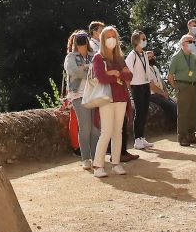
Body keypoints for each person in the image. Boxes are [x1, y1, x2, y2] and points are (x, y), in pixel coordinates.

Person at [91, 29, 132, 176]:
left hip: (121, 98)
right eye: (108, 37)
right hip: (107, 99)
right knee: (106, 132)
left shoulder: (119, 57)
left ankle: (116, 163)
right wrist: (117, 77)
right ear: (103, 39)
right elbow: (101, 77)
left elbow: (129, 75)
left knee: (117, 132)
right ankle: (98, 166)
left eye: (113, 36)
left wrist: (114, 74)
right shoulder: (98, 57)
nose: (111, 39)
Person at [64, 31, 99, 168]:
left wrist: (84, 68)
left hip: (94, 94)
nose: (82, 46)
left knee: (95, 129)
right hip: (78, 95)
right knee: (85, 127)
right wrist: (89, 70)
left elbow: (99, 70)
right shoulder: (70, 57)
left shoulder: (94, 56)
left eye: (83, 43)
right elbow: (73, 71)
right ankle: (85, 159)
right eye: (79, 43)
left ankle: (96, 157)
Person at [126, 31, 164, 151]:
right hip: (136, 86)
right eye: (143, 39)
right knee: (139, 112)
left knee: (145, 111)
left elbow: (147, 70)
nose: (145, 40)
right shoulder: (132, 55)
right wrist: (129, 89)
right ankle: (137, 139)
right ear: (136, 41)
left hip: (145, 85)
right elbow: (127, 74)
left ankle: (142, 137)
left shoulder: (143, 55)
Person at [167, 34, 196, 146]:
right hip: (182, 86)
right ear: (183, 44)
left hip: (193, 86)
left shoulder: (193, 57)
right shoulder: (176, 57)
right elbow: (170, 76)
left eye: (193, 41)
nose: (192, 43)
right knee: (183, 113)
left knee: (192, 112)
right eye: (190, 41)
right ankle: (182, 137)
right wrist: (177, 87)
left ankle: (191, 136)